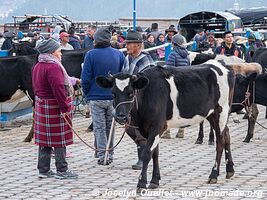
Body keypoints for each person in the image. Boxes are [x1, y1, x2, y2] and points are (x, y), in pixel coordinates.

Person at [32, 38, 78, 179]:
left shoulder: (38, 65)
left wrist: (75, 80)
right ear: (51, 52)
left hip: (42, 105)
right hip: (54, 107)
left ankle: (44, 170)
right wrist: (64, 108)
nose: (61, 54)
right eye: (59, 51)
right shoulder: (53, 67)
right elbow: (58, 89)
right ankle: (62, 170)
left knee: (45, 141)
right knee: (59, 140)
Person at [81, 27, 125, 165]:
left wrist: (87, 93)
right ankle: (109, 153)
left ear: (97, 39)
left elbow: (85, 78)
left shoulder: (91, 55)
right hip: (112, 98)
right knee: (109, 127)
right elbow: (123, 77)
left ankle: (102, 155)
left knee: (99, 127)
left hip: (95, 97)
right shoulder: (118, 54)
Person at [122, 30, 155, 170]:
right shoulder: (127, 58)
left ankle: (143, 159)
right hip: (130, 101)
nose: (127, 46)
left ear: (138, 45)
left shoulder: (146, 60)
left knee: (139, 129)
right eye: (126, 43)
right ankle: (142, 153)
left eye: (130, 43)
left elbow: (149, 83)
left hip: (143, 101)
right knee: (129, 128)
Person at [164, 34, 190, 139]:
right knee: (181, 108)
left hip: (174, 84)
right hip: (184, 84)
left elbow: (169, 70)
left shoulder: (173, 54)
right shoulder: (187, 55)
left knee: (168, 107)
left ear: (173, 44)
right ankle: (181, 131)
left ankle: (166, 132)